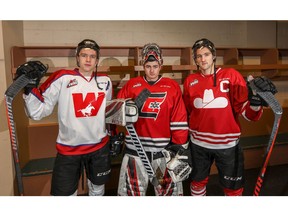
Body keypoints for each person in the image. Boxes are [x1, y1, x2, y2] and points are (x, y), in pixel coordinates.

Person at [17, 39, 116, 196]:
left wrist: (113, 135)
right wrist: (29, 89)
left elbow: (107, 113)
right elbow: (38, 112)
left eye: (92, 56)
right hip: (69, 150)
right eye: (84, 55)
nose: (88, 59)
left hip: (99, 148)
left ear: (97, 60)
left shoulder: (106, 81)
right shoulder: (62, 77)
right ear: (77, 57)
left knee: (98, 191)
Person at [183, 38, 278, 196]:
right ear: (195, 60)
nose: (203, 59)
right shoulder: (190, 81)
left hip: (227, 146)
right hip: (198, 145)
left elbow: (249, 115)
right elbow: (187, 113)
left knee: (233, 189)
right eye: (199, 56)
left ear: (213, 56)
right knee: (197, 183)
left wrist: (255, 103)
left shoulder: (232, 75)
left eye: (206, 54)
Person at [116, 43, 191, 196]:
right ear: (143, 65)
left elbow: (179, 119)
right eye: (148, 66)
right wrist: (131, 108)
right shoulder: (131, 85)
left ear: (161, 65)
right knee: (131, 196)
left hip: (162, 155)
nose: (151, 70)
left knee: (167, 196)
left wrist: (180, 148)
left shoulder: (171, 87)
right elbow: (117, 114)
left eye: (155, 66)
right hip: (135, 153)